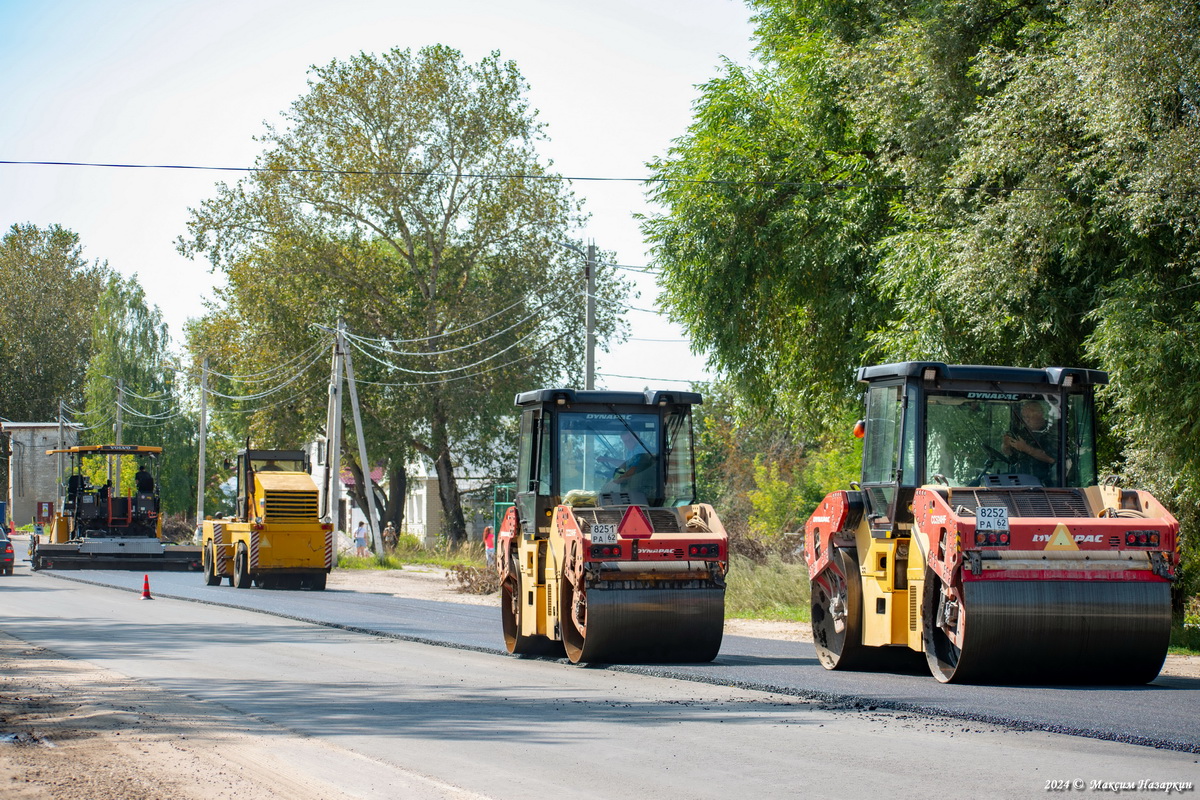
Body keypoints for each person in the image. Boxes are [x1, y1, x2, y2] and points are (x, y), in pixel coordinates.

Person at [1002, 400, 1056, 481]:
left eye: (1029, 416)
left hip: (1045, 482)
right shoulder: (1022, 433)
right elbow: (1010, 454)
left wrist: (1026, 448)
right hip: (1020, 480)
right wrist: (1006, 445)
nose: (1026, 420)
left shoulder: (1052, 430)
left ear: (1040, 414)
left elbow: (1052, 459)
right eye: (1024, 417)